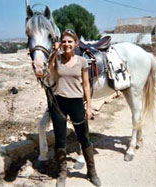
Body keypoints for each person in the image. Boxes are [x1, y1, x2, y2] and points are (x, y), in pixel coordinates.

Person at [49, 29, 101, 187]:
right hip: (58, 103)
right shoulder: (57, 59)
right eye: (64, 41)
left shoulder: (82, 61)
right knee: (60, 139)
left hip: (77, 103)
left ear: (76, 43)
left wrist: (89, 107)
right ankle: (62, 173)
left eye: (70, 41)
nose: (66, 44)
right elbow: (50, 69)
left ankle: (92, 172)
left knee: (84, 137)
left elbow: (86, 85)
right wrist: (55, 51)